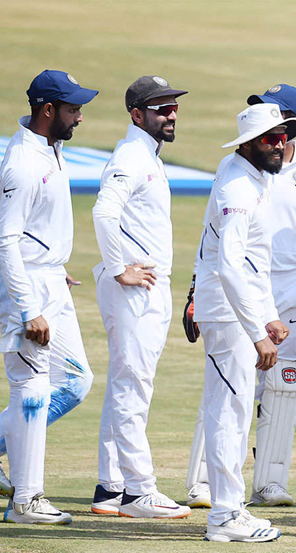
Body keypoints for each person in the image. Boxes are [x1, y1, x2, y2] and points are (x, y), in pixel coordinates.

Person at [0, 70, 97, 524]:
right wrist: (29, 306)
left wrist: (54, 265)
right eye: (73, 109)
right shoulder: (22, 163)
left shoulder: (50, 148)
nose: (79, 117)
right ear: (47, 110)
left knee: (75, 383)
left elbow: (36, 226)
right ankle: (26, 501)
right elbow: (5, 241)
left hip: (48, 278)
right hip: (25, 289)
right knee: (31, 387)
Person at [184, 84, 296, 509]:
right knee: (231, 384)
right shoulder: (236, 170)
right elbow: (213, 236)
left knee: (282, 382)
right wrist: (196, 287)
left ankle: (270, 482)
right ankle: (206, 484)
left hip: (288, 286)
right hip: (238, 286)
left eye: (276, 119)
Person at [194, 102, 296, 542]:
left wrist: (268, 314)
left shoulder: (250, 174)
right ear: (247, 144)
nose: (280, 145)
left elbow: (254, 260)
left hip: (235, 310)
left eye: (283, 137)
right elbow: (230, 267)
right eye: (270, 139)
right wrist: (257, 331)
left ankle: (230, 509)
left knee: (233, 409)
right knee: (229, 411)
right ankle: (224, 515)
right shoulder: (238, 189)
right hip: (227, 313)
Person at [90, 76, 191, 519]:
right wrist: (119, 268)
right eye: (160, 108)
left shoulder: (145, 154)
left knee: (124, 382)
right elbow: (104, 211)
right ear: (136, 114)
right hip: (136, 286)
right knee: (133, 385)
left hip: (145, 285)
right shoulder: (132, 156)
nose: (171, 114)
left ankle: (111, 486)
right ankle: (138, 491)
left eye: (173, 106)